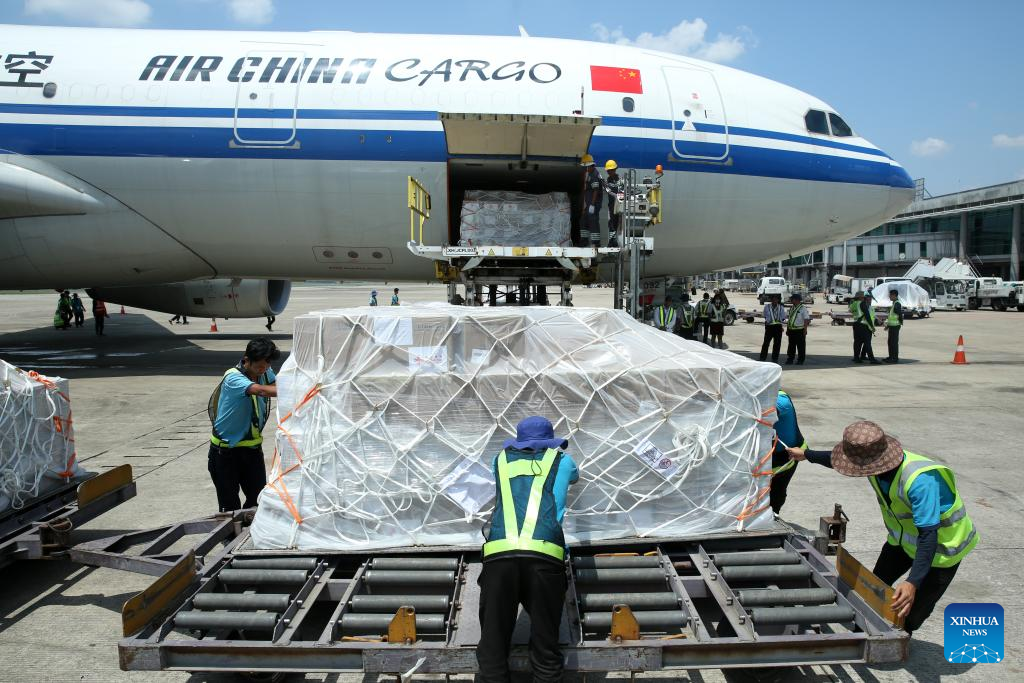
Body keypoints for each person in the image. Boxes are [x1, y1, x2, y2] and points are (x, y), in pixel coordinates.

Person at [786, 421, 977, 635]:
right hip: (901, 541)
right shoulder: (875, 463)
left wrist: (912, 582)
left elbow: (928, 536)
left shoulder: (921, 482)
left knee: (911, 612)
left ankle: (900, 639)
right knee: (873, 589)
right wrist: (806, 454)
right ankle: (868, 630)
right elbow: (837, 459)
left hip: (941, 550)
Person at [477, 416, 579, 683]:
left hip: (499, 555)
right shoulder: (563, 461)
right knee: (545, 641)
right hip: (545, 557)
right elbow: (575, 477)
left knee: (493, 641)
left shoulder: (499, 461)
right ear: (550, 441)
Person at [208, 337, 280, 512]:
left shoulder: (264, 372)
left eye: (267, 365)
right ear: (246, 360)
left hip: (252, 450)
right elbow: (261, 390)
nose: (263, 370)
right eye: (259, 366)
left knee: (258, 502)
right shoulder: (233, 377)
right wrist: (299, 389)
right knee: (230, 507)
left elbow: (275, 384)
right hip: (225, 452)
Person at [770, 389, 807, 514]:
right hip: (768, 457)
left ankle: (774, 513)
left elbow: (762, 413)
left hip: (786, 457)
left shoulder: (781, 400)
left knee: (776, 493)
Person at [581, 153, 603, 247]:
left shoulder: (594, 174)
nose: (586, 169)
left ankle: (596, 242)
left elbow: (595, 190)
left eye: (586, 167)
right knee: (584, 220)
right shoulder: (590, 173)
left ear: (590, 166)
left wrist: (592, 205)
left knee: (593, 222)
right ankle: (584, 241)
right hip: (589, 204)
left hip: (593, 204)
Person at [785, 293, 811, 365]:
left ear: (797, 300)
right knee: (791, 346)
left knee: (801, 346)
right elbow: (790, 319)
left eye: (792, 299)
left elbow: (806, 319)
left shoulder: (803, 308)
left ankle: (800, 360)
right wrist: (787, 329)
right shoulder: (792, 308)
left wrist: (805, 330)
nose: (791, 300)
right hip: (791, 330)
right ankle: (790, 359)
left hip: (800, 330)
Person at [759, 293, 785, 362]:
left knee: (777, 344)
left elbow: (783, 317)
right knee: (766, 343)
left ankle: (775, 358)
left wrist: (781, 325)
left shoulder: (781, 307)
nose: (774, 301)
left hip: (778, 327)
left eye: (776, 300)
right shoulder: (767, 307)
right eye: (773, 300)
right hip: (769, 327)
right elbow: (765, 315)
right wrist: (768, 321)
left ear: (778, 300)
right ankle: (762, 357)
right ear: (771, 300)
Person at [859, 292, 880, 364]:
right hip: (864, 326)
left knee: (866, 342)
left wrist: (877, 319)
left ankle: (863, 356)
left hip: (868, 326)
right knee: (867, 343)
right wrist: (872, 326)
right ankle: (872, 359)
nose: (871, 299)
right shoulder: (863, 305)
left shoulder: (869, 306)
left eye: (871, 298)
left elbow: (872, 315)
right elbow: (867, 316)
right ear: (866, 298)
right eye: (869, 297)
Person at [604, 159, 621, 248]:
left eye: (610, 170)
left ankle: (615, 241)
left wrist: (618, 196)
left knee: (617, 223)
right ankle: (612, 241)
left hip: (619, 205)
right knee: (611, 223)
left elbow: (623, 190)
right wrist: (615, 195)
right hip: (611, 205)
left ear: (614, 170)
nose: (609, 172)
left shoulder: (620, 180)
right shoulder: (608, 180)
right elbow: (608, 191)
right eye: (608, 171)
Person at [884, 289, 903, 363]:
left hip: (895, 326)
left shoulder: (897, 304)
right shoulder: (894, 303)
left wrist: (900, 322)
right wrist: (888, 325)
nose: (889, 296)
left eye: (890, 295)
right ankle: (891, 357)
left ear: (894, 295)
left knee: (893, 343)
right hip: (892, 326)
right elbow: (892, 316)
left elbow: (899, 314)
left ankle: (894, 358)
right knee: (890, 342)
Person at [850, 291, 867, 363]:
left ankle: (856, 356)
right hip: (861, 324)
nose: (864, 299)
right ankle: (860, 357)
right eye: (863, 297)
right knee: (862, 341)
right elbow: (866, 313)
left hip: (855, 323)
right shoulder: (861, 303)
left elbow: (851, 311)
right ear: (860, 298)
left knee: (856, 341)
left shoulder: (853, 304)